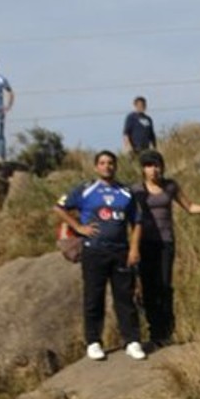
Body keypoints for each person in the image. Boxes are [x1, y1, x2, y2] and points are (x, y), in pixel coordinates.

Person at [134, 148, 200, 350]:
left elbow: (190, 207)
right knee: (149, 288)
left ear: (162, 166)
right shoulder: (135, 190)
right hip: (145, 244)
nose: (153, 170)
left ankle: (166, 331)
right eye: (148, 166)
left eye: (156, 165)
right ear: (143, 169)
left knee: (165, 286)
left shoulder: (170, 186)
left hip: (166, 243)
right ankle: (154, 332)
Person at [55, 150, 146, 362]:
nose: (107, 166)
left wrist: (134, 249)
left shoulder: (125, 192)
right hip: (94, 250)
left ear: (116, 166)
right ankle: (93, 341)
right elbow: (59, 207)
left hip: (120, 250)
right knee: (93, 297)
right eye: (103, 163)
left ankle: (132, 340)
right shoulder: (86, 190)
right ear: (97, 167)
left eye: (111, 163)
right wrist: (79, 226)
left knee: (125, 297)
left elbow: (137, 222)